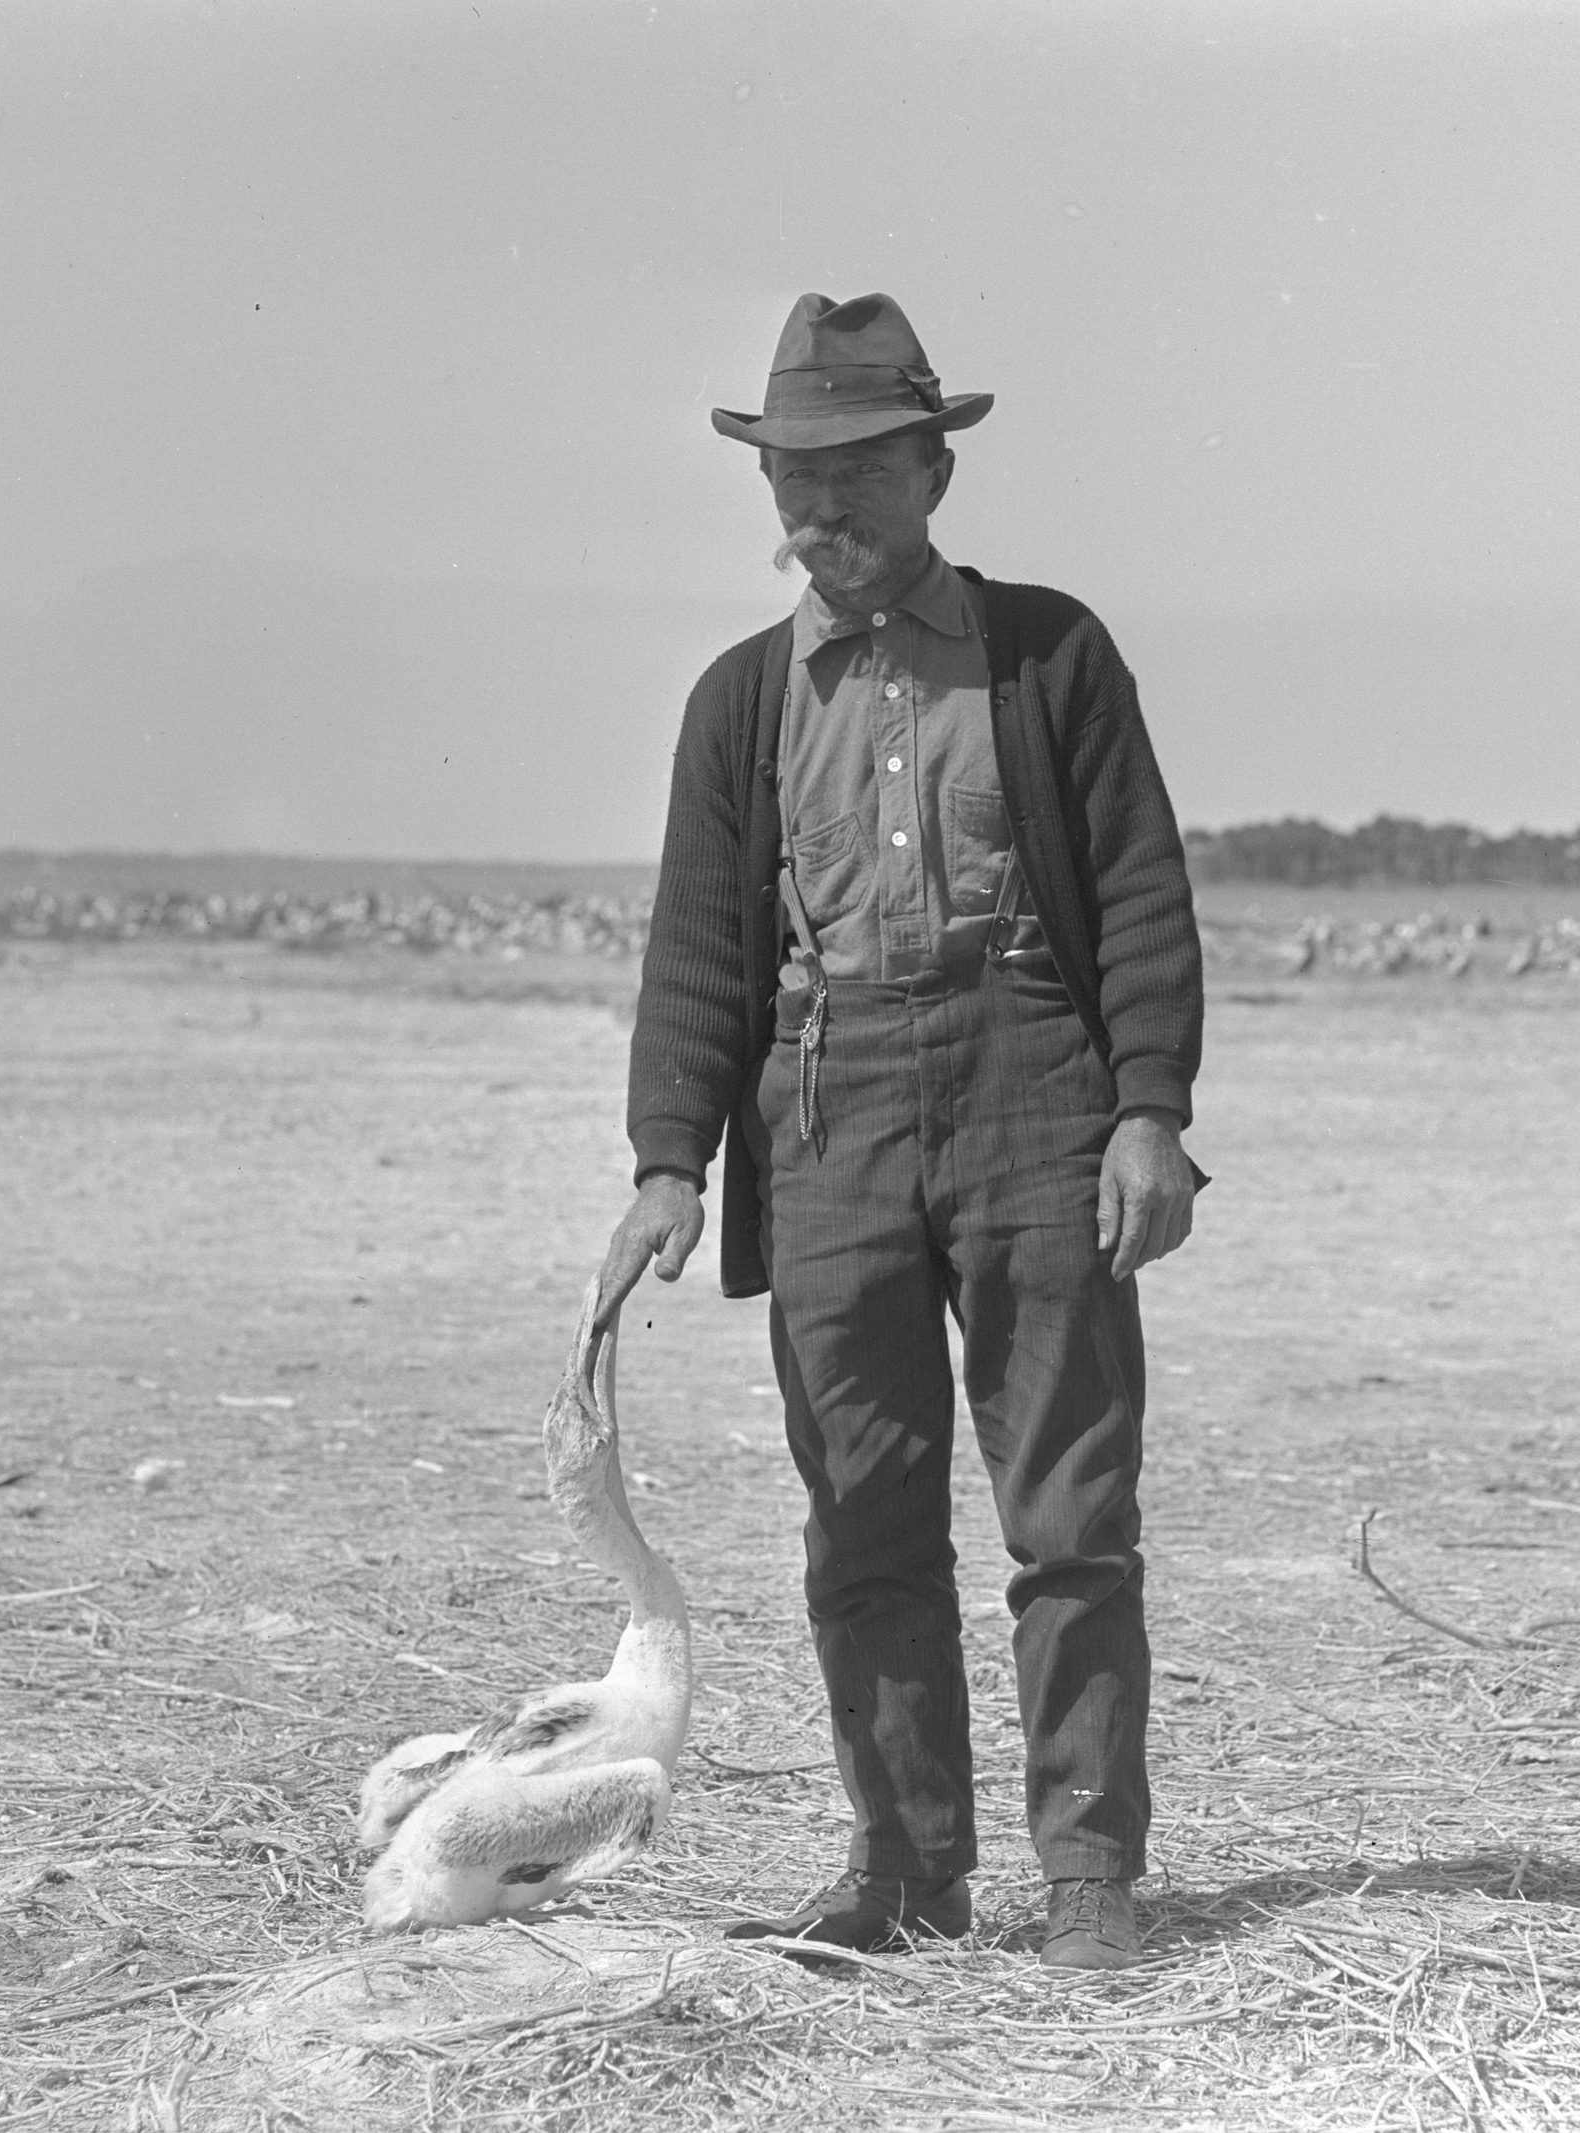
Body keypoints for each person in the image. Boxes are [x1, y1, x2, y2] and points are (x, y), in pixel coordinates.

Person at [596, 292, 1204, 1970]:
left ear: (935, 470)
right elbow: (705, 947)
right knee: (862, 1515)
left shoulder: (1050, 652)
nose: (819, 514)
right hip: (828, 1109)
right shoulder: (738, 703)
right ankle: (906, 1879)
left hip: (1033, 1091)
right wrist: (671, 1160)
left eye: (857, 472)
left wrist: (1147, 1110)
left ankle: (1090, 1876)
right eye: (791, 480)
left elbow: (1143, 897)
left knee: (1069, 1512)